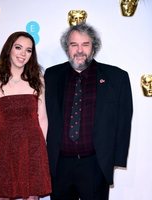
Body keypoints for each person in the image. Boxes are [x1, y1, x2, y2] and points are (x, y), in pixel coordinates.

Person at [44, 22, 133, 200]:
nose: (79, 50)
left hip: (95, 164)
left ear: (93, 48)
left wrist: (116, 159)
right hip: (59, 164)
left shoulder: (116, 77)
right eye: (74, 44)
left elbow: (124, 120)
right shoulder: (51, 76)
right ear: (67, 48)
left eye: (85, 44)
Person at [0, 31, 51, 200]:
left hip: (33, 147)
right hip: (3, 148)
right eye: (18, 47)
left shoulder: (38, 80)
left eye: (28, 50)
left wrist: (41, 149)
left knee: (31, 197)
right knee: (2, 195)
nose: (23, 54)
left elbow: (42, 118)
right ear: (9, 49)